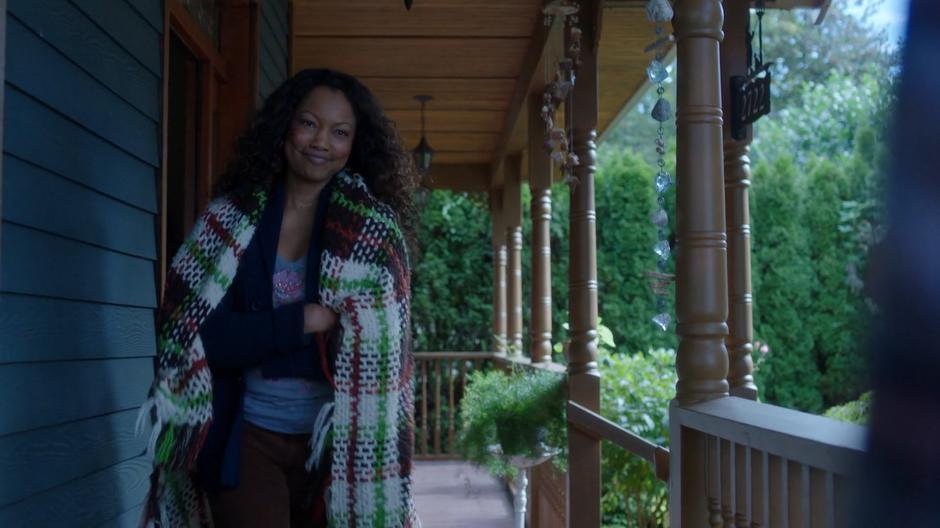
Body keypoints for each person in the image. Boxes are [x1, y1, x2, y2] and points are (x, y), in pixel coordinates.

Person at [139, 69, 420, 527]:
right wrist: (303, 320)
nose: (321, 142)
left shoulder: (374, 237)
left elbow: (387, 357)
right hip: (246, 436)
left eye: (340, 132)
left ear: (355, 145)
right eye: (309, 123)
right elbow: (201, 338)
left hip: (337, 450)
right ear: (286, 125)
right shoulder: (227, 221)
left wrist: (260, 333)